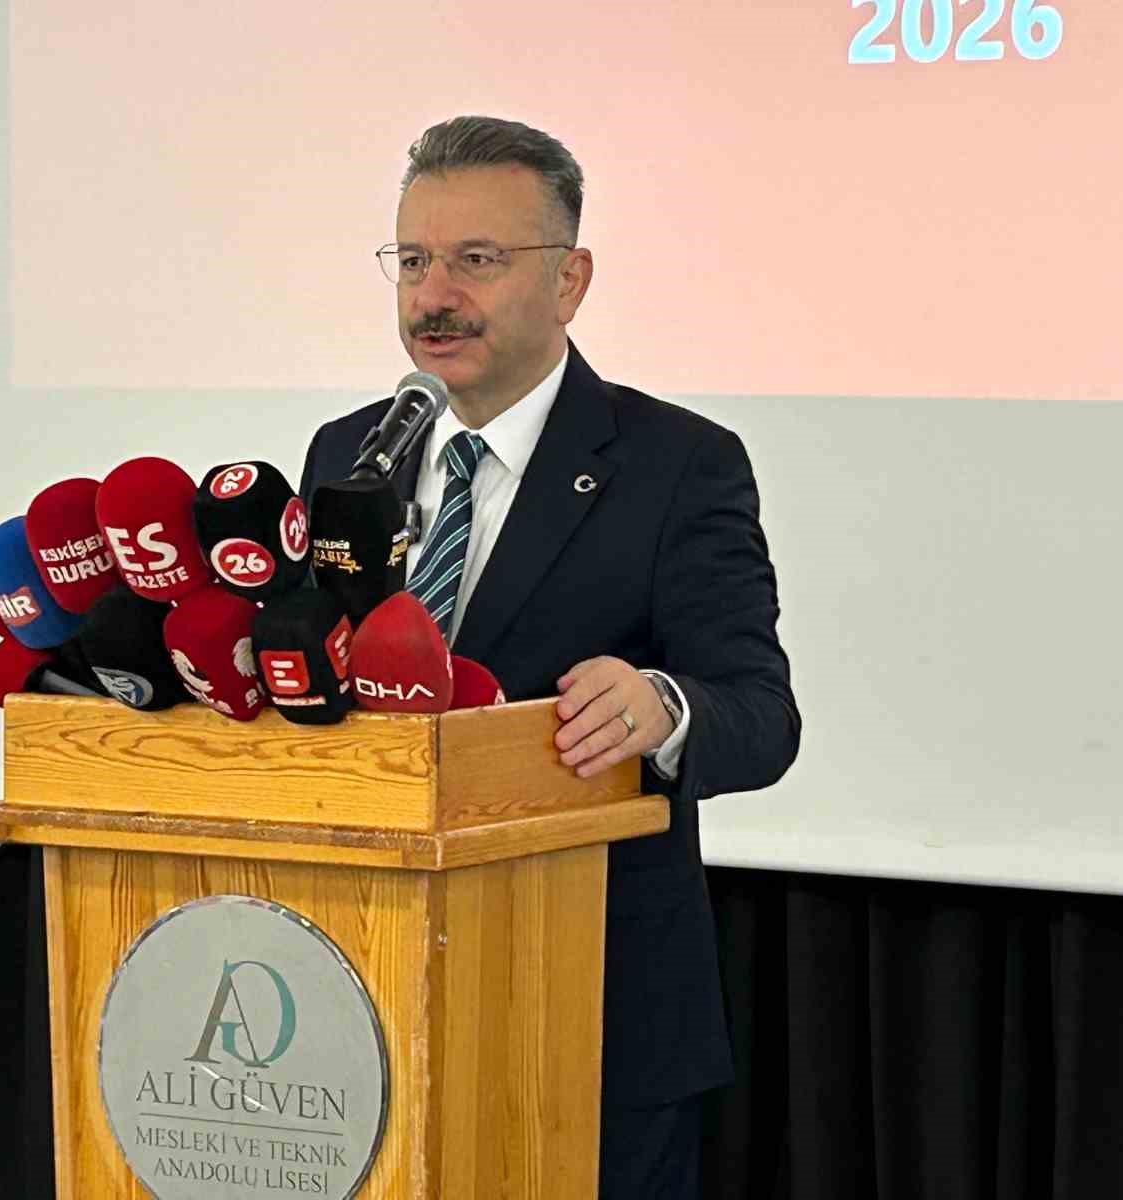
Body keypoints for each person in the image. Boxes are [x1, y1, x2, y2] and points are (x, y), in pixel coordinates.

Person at [298, 115, 800, 1199]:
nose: (434, 297)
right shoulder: (348, 457)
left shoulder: (676, 465)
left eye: (476, 260)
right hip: (363, 997)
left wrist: (662, 708)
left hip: (589, 1016)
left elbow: (761, 716)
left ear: (569, 282)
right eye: (414, 261)